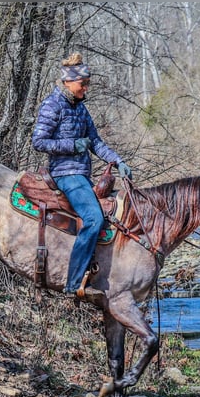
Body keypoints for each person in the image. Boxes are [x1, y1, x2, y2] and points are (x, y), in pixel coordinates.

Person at [32, 53, 132, 299]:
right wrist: (73, 145)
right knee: (94, 219)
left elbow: (96, 142)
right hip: (65, 174)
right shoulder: (52, 104)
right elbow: (39, 141)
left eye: (87, 83)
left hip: (81, 175)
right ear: (68, 82)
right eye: (82, 84)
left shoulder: (82, 108)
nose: (86, 88)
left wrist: (117, 160)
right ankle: (73, 283)